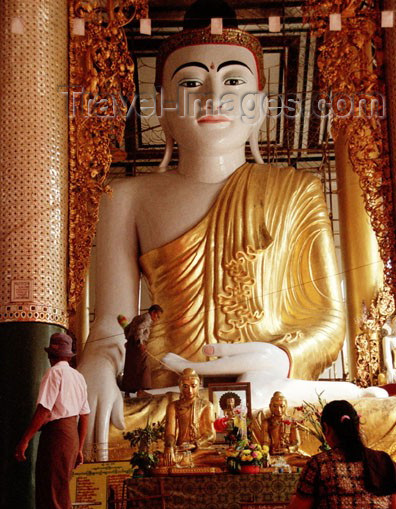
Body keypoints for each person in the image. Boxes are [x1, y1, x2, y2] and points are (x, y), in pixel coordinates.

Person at [79, 0, 385, 459]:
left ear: (260, 105)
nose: (213, 95)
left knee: (380, 419)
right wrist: (98, 367)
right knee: (91, 422)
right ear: (162, 107)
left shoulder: (297, 189)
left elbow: (327, 323)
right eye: (190, 82)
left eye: (234, 80)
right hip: (171, 398)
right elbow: (110, 324)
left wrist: (278, 359)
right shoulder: (125, 197)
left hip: (269, 390)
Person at [14, 333, 90, 509]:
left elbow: (45, 410)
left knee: (53, 490)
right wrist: (80, 445)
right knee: (60, 489)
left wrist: (24, 440)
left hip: (57, 434)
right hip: (71, 434)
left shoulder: (54, 373)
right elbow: (85, 414)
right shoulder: (78, 376)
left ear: (51, 355)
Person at [163, 368, 215, 466]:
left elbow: (211, 435)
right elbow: (170, 433)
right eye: (185, 386)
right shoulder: (173, 406)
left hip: (200, 450)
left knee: (223, 458)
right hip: (180, 450)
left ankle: (189, 460)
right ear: (180, 387)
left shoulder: (207, 405)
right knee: (161, 460)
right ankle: (188, 461)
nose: (189, 390)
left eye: (193, 386)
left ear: (198, 386)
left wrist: (194, 444)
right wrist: (169, 446)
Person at [118, 304, 163, 395]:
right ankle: (140, 391)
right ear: (153, 312)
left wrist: (129, 340)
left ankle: (127, 392)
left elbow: (127, 328)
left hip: (132, 344)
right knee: (143, 365)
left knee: (130, 367)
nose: (157, 319)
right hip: (137, 344)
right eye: (157, 316)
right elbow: (140, 329)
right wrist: (140, 343)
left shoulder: (138, 317)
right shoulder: (147, 318)